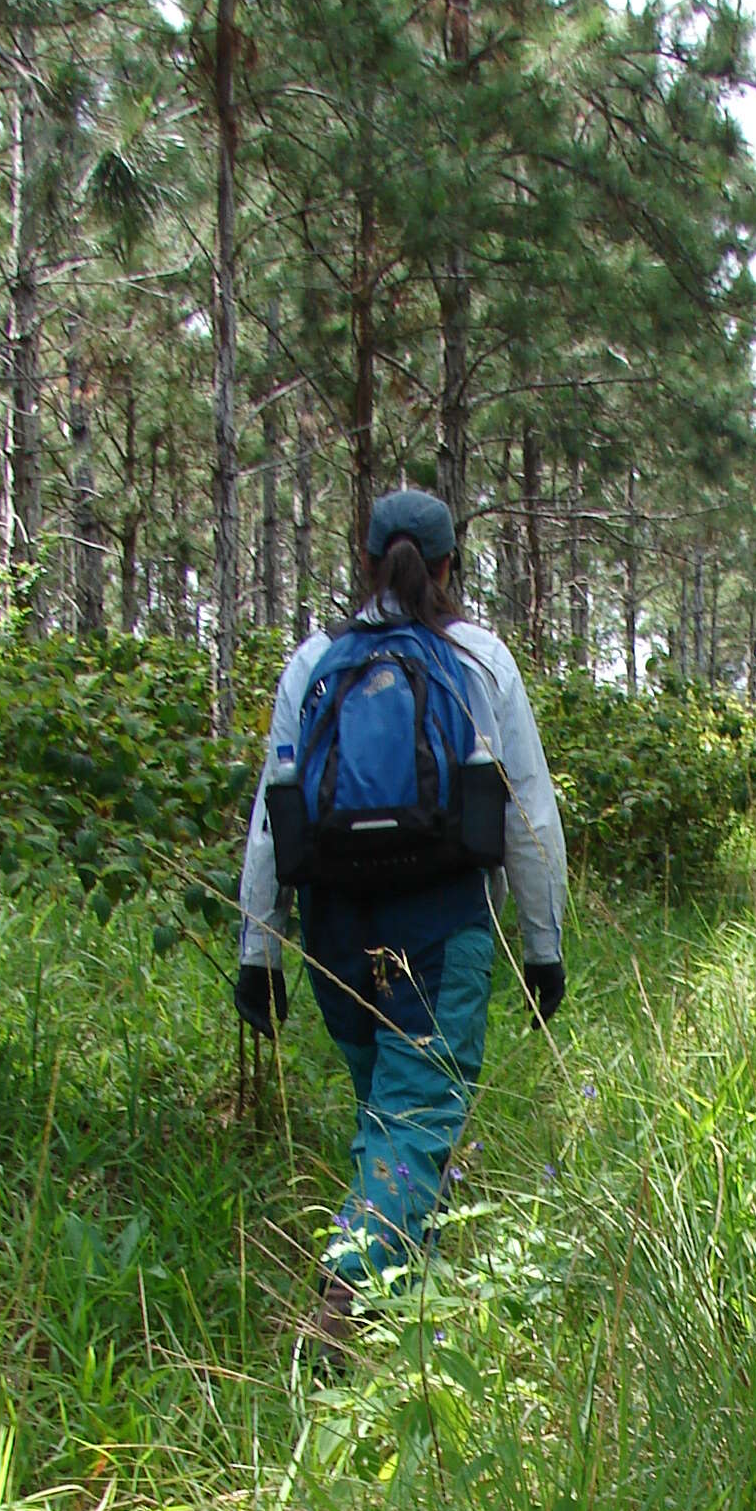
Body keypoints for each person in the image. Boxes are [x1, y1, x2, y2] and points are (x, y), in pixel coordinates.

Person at [235, 488, 567, 1317]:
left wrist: (259, 953)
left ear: (364, 558)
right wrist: (542, 942)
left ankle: (405, 1319)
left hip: (335, 929)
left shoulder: (314, 661)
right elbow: (529, 811)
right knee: (417, 1120)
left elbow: (273, 821)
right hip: (443, 924)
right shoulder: (482, 660)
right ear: (452, 565)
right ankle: (347, 1297)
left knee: (392, 1116)